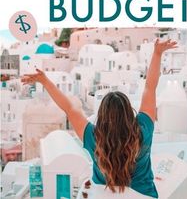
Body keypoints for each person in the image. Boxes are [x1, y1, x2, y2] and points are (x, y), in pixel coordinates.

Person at [21, 39, 177, 198]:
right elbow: (150, 88)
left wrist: (45, 81)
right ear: (129, 113)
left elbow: (69, 107)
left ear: (102, 116)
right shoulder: (143, 129)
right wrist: (157, 53)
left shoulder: (92, 136)